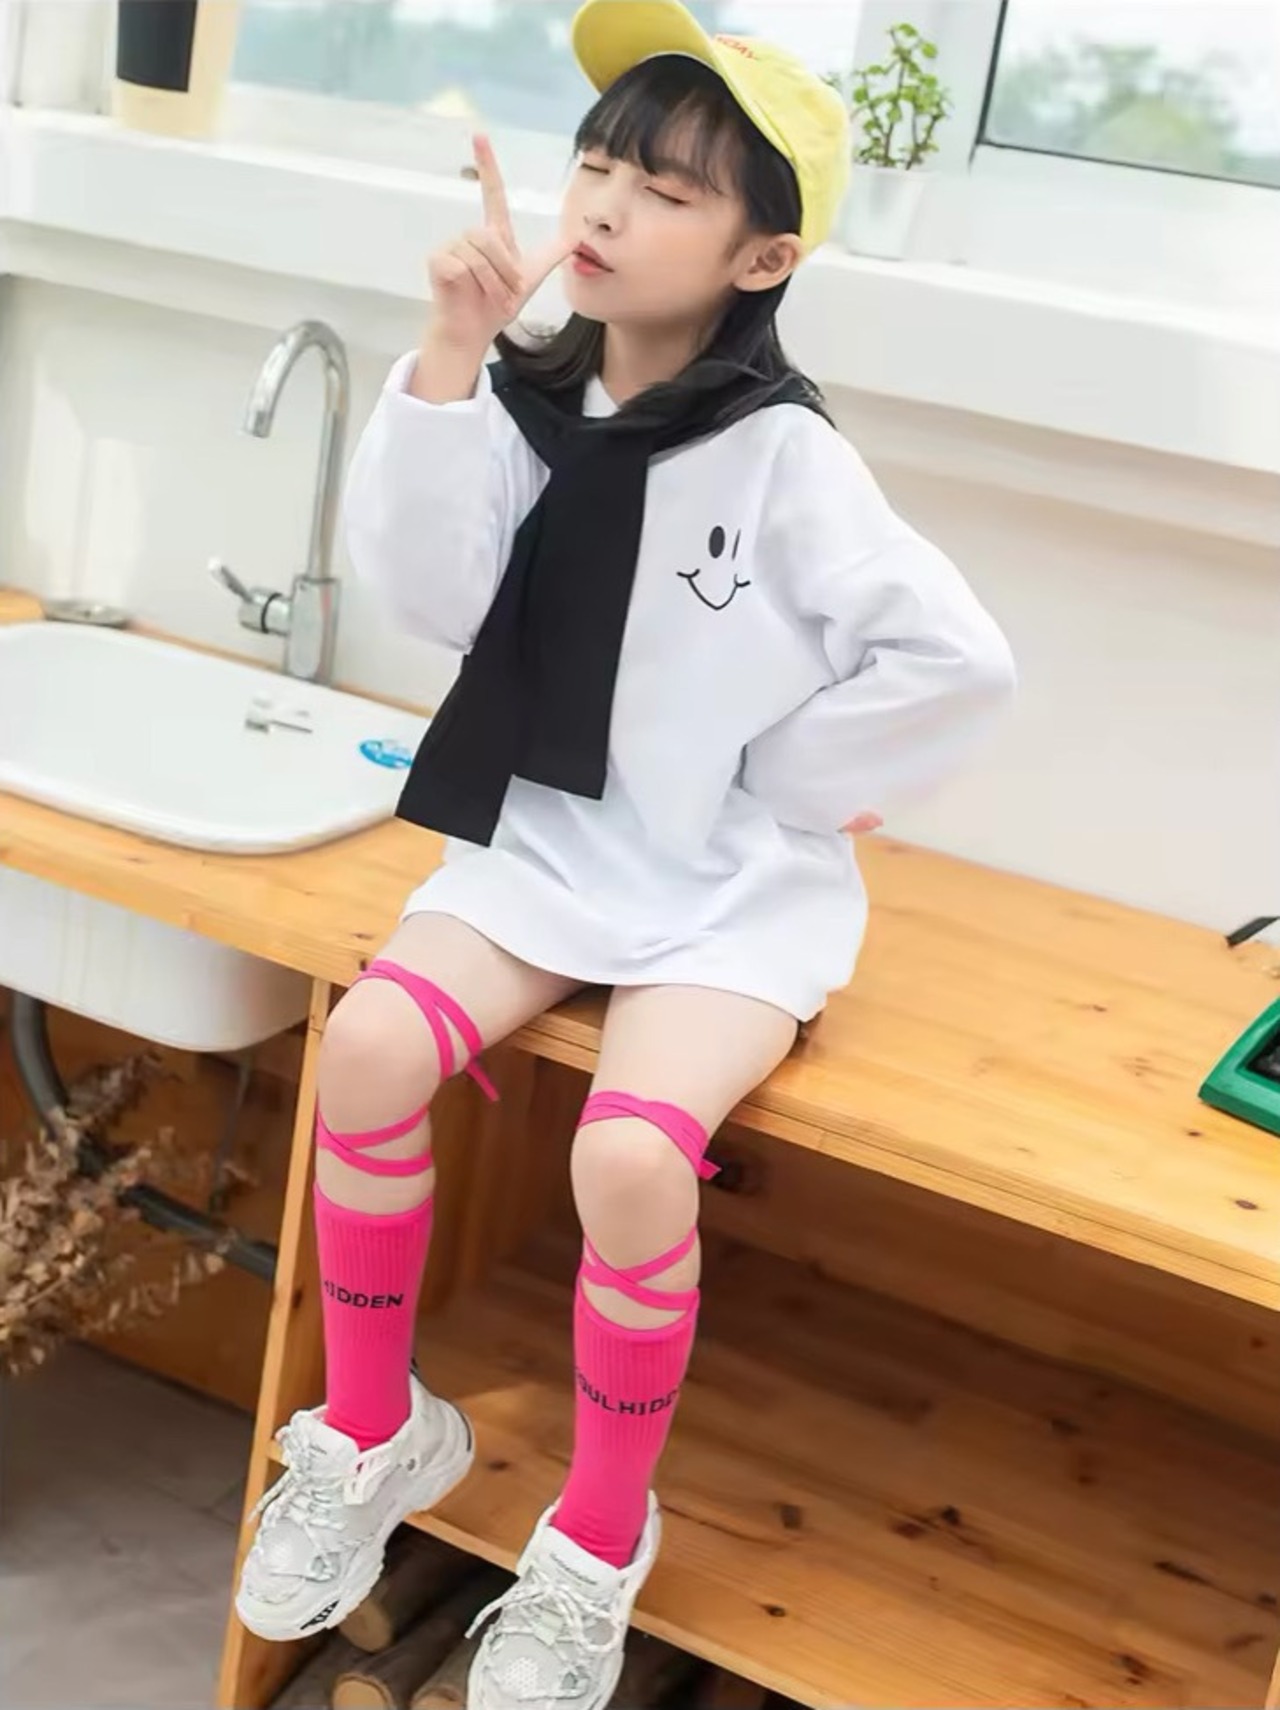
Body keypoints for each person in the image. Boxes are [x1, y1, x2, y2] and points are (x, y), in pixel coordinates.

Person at [234, 3, 1016, 1705]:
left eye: (665, 191)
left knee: (634, 1157)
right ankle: (372, 1428)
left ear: (763, 256)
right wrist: (451, 352)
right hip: (551, 846)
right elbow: (431, 596)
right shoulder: (523, 405)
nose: (603, 203)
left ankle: (596, 1538)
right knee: (365, 1049)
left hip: (729, 890)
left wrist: (782, 775)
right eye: (597, 162)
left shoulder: (786, 455)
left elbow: (961, 663)